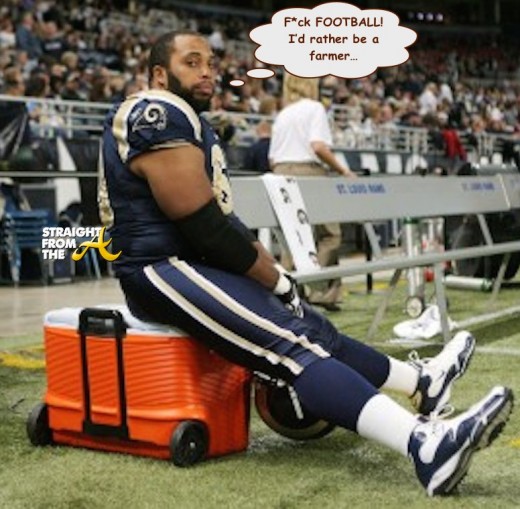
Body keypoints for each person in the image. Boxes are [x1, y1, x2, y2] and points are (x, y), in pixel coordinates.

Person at [100, 30, 513, 497]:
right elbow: (199, 220)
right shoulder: (155, 112)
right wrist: (270, 277)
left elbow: (222, 222)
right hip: (161, 267)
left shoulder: (191, 120)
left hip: (196, 261)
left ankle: (422, 383)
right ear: (159, 74)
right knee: (292, 348)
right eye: (192, 62)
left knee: (315, 329)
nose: (207, 72)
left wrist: (277, 277)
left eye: (211, 63)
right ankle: (425, 446)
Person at [269, 74, 356, 311]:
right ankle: (319, 290)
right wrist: (343, 170)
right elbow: (318, 146)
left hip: (281, 173)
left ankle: (289, 294)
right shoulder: (314, 108)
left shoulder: (282, 115)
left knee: (291, 237)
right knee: (330, 234)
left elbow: (273, 158)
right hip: (308, 172)